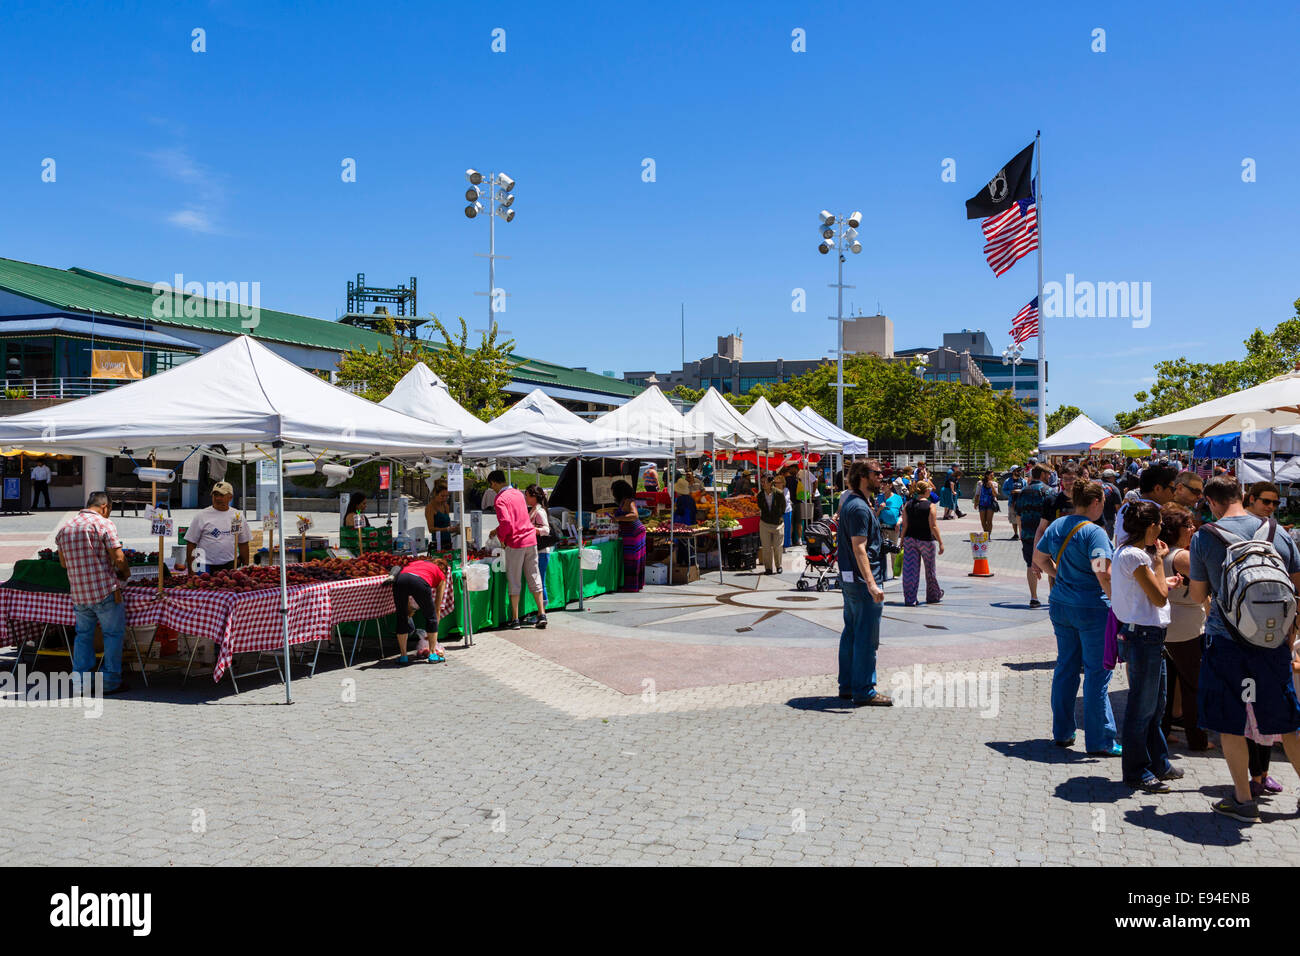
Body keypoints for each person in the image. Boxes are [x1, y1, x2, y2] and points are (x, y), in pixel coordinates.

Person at [1189, 475, 1300, 822]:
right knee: (1287, 721)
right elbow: (1296, 587)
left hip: (1227, 641)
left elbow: (1196, 596)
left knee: (1231, 721)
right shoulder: (1276, 532)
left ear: (1211, 502)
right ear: (1243, 495)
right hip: (1273, 641)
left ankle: (1243, 799)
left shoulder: (1205, 537)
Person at [1033, 480, 1118, 755]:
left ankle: (1062, 732)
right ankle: (1100, 740)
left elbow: (1040, 557)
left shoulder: (1058, 525)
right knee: (1097, 674)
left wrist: (1061, 576)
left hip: (1061, 604)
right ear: (1095, 503)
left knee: (1066, 667)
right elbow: (1102, 571)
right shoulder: (1095, 533)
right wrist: (1117, 601)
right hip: (1092, 608)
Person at [1111, 500, 1182, 792]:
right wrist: (1158, 562)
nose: (1161, 530)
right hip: (1143, 636)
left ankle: (1158, 761)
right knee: (1142, 706)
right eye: (1159, 525)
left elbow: (1150, 590)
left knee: (1156, 704)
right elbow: (1159, 598)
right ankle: (1136, 769)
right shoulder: (1137, 557)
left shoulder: (1127, 553)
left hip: (1147, 635)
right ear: (1151, 527)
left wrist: (1162, 578)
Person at [57, 492, 131, 694]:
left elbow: (63, 563)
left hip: (79, 593)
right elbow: (118, 557)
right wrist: (126, 573)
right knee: (112, 635)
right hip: (104, 590)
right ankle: (109, 682)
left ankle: (80, 681)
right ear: (105, 507)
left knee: (83, 636)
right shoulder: (103, 524)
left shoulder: (66, 527)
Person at [1241, 482, 1288, 797]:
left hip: (1275, 632)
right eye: (1266, 501)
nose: (1270, 507)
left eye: (1275, 503)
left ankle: (1264, 773)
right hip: (1242, 633)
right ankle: (1253, 775)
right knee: (1248, 707)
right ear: (1251, 499)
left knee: (1268, 708)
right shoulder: (1235, 531)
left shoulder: (1282, 535)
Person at [1158, 503, 1212, 752]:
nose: (1193, 529)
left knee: (1169, 685)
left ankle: (1164, 731)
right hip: (1187, 627)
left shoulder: (1161, 553)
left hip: (1169, 624)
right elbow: (1209, 579)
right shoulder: (1181, 556)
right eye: (1188, 525)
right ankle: (1197, 738)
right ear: (1175, 529)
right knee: (1193, 685)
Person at [837, 460, 890, 706]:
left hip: (850, 578)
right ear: (862, 476)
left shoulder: (852, 503)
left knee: (851, 632)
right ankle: (864, 690)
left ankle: (847, 685)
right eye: (877, 473)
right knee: (866, 636)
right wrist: (871, 583)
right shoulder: (858, 507)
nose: (881, 477)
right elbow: (860, 548)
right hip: (862, 580)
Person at [485, 470, 547, 630]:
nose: (492, 489)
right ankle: (541, 614)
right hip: (530, 539)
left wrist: (503, 538)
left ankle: (515, 618)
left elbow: (507, 523)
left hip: (516, 542)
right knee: (534, 576)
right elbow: (518, 518)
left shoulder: (500, 499)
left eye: (491, 485)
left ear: (493, 482)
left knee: (514, 579)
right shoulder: (518, 494)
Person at [390, 557, 450, 664]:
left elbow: (407, 576)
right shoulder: (441, 575)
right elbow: (437, 608)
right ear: (444, 570)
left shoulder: (418, 562)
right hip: (419, 582)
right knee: (430, 617)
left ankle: (403, 656)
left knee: (401, 617)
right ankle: (432, 654)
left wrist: (408, 609)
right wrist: (434, 624)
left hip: (400, 580)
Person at [185, 481, 252, 571]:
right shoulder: (201, 516)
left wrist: (245, 568)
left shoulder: (237, 516)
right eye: (215, 495)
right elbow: (191, 543)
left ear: (230, 497)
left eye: (221, 495)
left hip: (230, 565)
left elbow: (243, 543)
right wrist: (191, 571)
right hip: (205, 565)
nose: (218, 498)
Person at [898, 479, 943, 606]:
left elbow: (905, 525)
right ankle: (933, 595)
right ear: (927, 490)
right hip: (926, 541)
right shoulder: (931, 506)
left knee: (910, 571)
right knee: (930, 570)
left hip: (910, 539)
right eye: (929, 489)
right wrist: (940, 542)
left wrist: (901, 540)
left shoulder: (908, 505)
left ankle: (910, 598)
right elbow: (933, 526)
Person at [1114, 462, 1179, 547]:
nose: (1175, 493)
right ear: (1158, 489)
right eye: (1172, 489)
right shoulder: (1160, 513)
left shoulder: (1126, 507)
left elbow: (1117, 538)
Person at [1016, 466, 1053, 608]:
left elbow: (1018, 514)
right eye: (1048, 474)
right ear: (1043, 474)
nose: (1049, 476)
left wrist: (1021, 531)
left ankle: (1034, 597)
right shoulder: (1048, 491)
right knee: (1050, 563)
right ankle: (1052, 595)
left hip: (1027, 534)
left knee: (1030, 564)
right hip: (1045, 534)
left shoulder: (1023, 491)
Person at [611, 480, 646, 592]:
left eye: (613, 492)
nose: (612, 494)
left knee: (632, 559)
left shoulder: (628, 501)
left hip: (634, 532)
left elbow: (634, 515)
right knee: (631, 559)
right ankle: (632, 585)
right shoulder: (623, 502)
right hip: (630, 532)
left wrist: (618, 518)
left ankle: (632, 586)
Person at [875, 479, 905, 579]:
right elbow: (875, 515)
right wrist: (880, 509)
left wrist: (898, 523)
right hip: (882, 528)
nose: (882, 486)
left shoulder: (898, 498)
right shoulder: (879, 498)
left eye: (885, 485)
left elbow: (902, 514)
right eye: (881, 484)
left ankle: (895, 572)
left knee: (894, 550)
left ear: (890, 485)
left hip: (894, 528)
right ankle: (882, 573)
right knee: (881, 551)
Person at [757, 472, 786, 574]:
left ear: (770, 482)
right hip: (765, 523)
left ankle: (779, 566)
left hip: (778, 524)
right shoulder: (760, 495)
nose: (762, 484)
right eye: (761, 482)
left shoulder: (779, 493)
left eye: (764, 482)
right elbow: (760, 506)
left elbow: (783, 507)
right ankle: (768, 568)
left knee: (778, 547)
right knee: (766, 547)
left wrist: (777, 516)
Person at [424, 485, 453, 550]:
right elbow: (431, 529)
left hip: (448, 542)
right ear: (435, 495)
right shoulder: (430, 508)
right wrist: (446, 529)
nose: (445, 498)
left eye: (447, 496)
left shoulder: (446, 506)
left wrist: (455, 529)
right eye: (442, 496)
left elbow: (448, 525)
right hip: (437, 543)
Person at [1001, 465, 1026, 540]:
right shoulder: (1008, 481)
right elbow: (1004, 490)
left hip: (1021, 502)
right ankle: (1016, 534)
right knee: (1013, 519)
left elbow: (1026, 490)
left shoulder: (1023, 481)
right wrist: (1011, 492)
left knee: (1022, 519)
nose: (1019, 472)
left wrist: (1021, 491)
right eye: (1017, 471)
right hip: (1012, 503)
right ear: (1013, 472)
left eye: (1020, 471)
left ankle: (1022, 534)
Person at [975, 470, 998, 536]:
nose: (993, 476)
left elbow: (995, 494)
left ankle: (988, 535)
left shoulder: (995, 483)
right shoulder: (980, 483)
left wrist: (992, 486)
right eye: (991, 475)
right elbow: (977, 494)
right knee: (983, 521)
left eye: (993, 475)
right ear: (987, 475)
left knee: (989, 520)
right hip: (982, 503)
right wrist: (975, 503)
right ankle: (985, 533)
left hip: (991, 503)